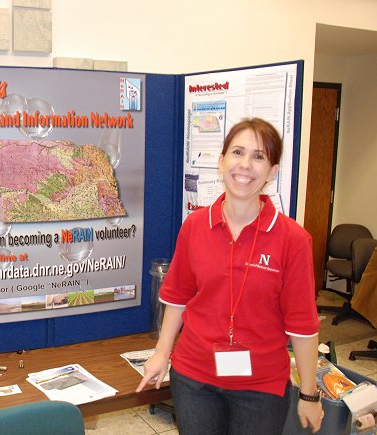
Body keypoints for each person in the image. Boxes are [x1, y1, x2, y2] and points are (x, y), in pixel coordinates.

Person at [136, 118, 323, 434]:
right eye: (238, 152)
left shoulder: (292, 240)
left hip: (261, 387)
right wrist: (161, 353)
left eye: (259, 156)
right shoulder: (195, 227)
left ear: (272, 171)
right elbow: (178, 297)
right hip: (195, 379)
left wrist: (309, 392)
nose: (245, 165)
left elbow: (303, 326)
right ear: (222, 161)